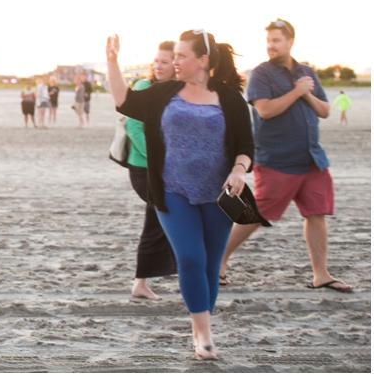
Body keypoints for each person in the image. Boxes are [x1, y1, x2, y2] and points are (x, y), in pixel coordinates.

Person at [107, 30, 253, 360]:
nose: (175, 62)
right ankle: (203, 333)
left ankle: (201, 316)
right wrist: (112, 62)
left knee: (210, 265)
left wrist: (239, 169)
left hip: (219, 196)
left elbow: (246, 146)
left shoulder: (229, 98)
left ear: (203, 61)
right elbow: (124, 101)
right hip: (173, 191)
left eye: (182, 56)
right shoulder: (164, 94)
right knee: (190, 257)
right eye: (174, 56)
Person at [219, 19, 351, 293]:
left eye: (276, 40)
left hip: (313, 159)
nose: (270, 46)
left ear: (290, 42)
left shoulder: (307, 72)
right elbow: (265, 110)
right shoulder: (261, 74)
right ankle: (218, 262)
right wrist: (298, 91)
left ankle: (321, 274)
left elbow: (325, 110)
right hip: (277, 159)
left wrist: (306, 95)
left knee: (316, 214)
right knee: (256, 215)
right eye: (268, 41)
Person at [125, 41, 177, 301]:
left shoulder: (177, 91)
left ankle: (141, 283)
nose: (158, 66)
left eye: (164, 62)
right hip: (144, 168)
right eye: (156, 60)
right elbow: (134, 129)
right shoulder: (144, 87)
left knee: (157, 220)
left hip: (167, 168)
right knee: (160, 218)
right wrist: (162, 159)